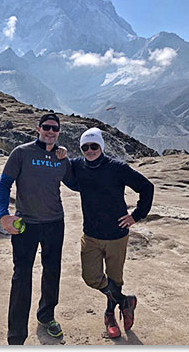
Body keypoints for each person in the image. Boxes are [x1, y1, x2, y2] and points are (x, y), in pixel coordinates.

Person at [62, 127, 154, 339]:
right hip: (91, 235)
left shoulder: (117, 168)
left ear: (101, 146)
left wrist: (136, 215)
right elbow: (67, 178)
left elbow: (146, 187)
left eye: (94, 146)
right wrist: (61, 156)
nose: (90, 150)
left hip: (116, 235)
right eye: (85, 147)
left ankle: (110, 315)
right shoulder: (78, 165)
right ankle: (125, 302)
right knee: (91, 277)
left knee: (115, 278)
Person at [0, 113, 72, 345]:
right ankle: (16, 336)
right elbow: (3, 184)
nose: (50, 131)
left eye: (55, 129)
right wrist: (3, 215)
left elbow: (79, 182)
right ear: (38, 129)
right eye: (46, 127)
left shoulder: (62, 159)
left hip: (54, 223)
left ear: (59, 132)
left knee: (52, 271)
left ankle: (46, 315)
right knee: (21, 277)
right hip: (25, 225)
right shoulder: (21, 153)